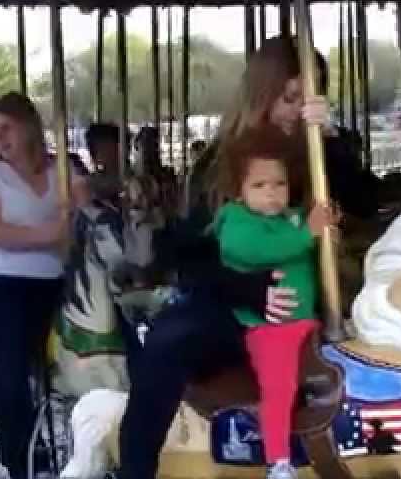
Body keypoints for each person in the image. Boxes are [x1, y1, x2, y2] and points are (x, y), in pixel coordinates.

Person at [120, 35, 361, 479]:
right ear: (263, 94)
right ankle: (136, 469)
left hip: (314, 297)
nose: (297, 110)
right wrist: (247, 289)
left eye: (310, 97)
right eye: (289, 98)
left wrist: (328, 139)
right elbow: (183, 252)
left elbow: (362, 200)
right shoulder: (221, 162)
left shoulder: (317, 152)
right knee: (167, 342)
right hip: (235, 304)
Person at [0, 92, 74, 479]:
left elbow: (88, 204)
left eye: (6, 128)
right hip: (0, 287)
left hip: (58, 282)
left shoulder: (63, 170)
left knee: (118, 343)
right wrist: (50, 233)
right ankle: (27, 462)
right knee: (9, 374)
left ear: (29, 128)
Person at [214, 125, 332, 479]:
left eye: (279, 184)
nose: (271, 194)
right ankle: (277, 459)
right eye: (259, 186)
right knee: (279, 386)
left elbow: (304, 241)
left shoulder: (289, 218)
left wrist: (324, 230)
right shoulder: (236, 223)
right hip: (270, 329)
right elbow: (257, 250)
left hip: (307, 322)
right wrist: (307, 234)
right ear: (239, 192)